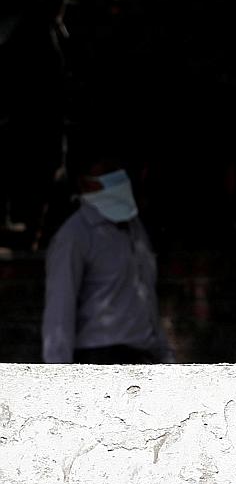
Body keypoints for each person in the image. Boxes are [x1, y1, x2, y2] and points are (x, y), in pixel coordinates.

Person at [42, 155, 175, 364]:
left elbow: (146, 296)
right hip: (100, 358)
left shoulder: (134, 228)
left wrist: (164, 354)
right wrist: (58, 376)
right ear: (85, 183)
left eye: (117, 171)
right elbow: (60, 311)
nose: (117, 179)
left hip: (143, 355)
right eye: (107, 173)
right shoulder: (74, 236)